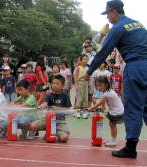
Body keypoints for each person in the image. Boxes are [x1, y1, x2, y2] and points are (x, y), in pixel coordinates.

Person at [81, 0, 147, 158]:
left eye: (108, 14)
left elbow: (104, 52)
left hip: (136, 67)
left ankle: (130, 147)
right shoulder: (138, 24)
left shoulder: (117, 28)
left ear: (114, 12)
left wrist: (89, 71)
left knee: (133, 108)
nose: (107, 19)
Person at [30, 75, 72, 143]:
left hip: (60, 121)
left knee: (64, 138)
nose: (55, 85)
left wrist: (57, 108)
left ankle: (55, 132)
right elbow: (45, 103)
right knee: (33, 126)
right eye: (53, 83)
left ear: (63, 86)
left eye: (57, 84)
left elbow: (67, 109)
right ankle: (49, 131)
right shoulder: (49, 95)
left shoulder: (65, 96)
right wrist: (42, 106)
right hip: (48, 119)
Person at [88, 76, 124, 146]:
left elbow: (100, 102)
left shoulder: (108, 93)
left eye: (100, 85)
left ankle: (114, 140)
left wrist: (91, 108)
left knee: (112, 125)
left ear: (106, 85)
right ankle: (113, 139)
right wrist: (102, 108)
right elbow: (103, 102)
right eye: (97, 86)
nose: (98, 87)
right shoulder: (106, 91)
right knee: (112, 124)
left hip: (117, 111)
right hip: (114, 110)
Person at [73, 54, 89, 119]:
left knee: (85, 97)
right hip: (80, 82)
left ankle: (85, 112)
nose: (85, 61)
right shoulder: (78, 68)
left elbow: (88, 76)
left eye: (87, 59)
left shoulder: (88, 68)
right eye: (84, 59)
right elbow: (75, 76)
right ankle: (78, 112)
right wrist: (76, 85)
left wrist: (88, 82)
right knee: (79, 97)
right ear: (81, 60)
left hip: (85, 83)